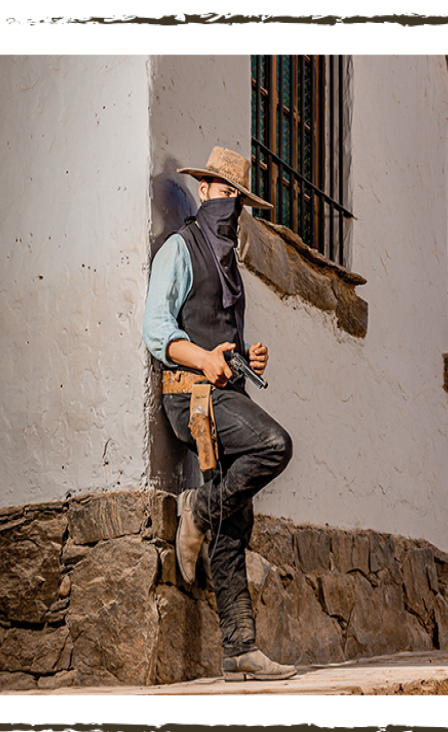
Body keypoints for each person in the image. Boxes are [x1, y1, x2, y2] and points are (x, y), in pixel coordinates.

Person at [142, 146, 296, 681]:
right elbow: (157, 331)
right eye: (220, 190)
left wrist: (244, 354)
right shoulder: (180, 250)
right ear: (203, 190)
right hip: (189, 396)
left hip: (225, 393)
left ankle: (240, 650)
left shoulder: (231, 263)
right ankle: (198, 510)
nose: (227, 201)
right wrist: (205, 357)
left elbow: (224, 338)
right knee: (276, 445)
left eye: (236, 195)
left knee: (241, 518)